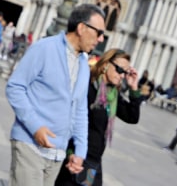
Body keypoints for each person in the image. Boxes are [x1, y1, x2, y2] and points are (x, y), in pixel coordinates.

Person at [6, 4, 106, 186]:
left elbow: (80, 110)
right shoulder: (45, 48)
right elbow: (15, 87)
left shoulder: (84, 64)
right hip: (29, 144)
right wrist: (35, 127)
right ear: (81, 28)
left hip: (57, 153)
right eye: (99, 32)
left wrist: (80, 151)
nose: (100, 39)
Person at [54, 48, 141, 186]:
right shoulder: (88, 87)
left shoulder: (111, 95)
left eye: (125, 72)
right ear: (106, 64)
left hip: (93, 162)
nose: (122, 76)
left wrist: (134, 88)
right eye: (120, 70)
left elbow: (132, 117)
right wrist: (71, 153)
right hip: (76, 157)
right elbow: (70, 121)